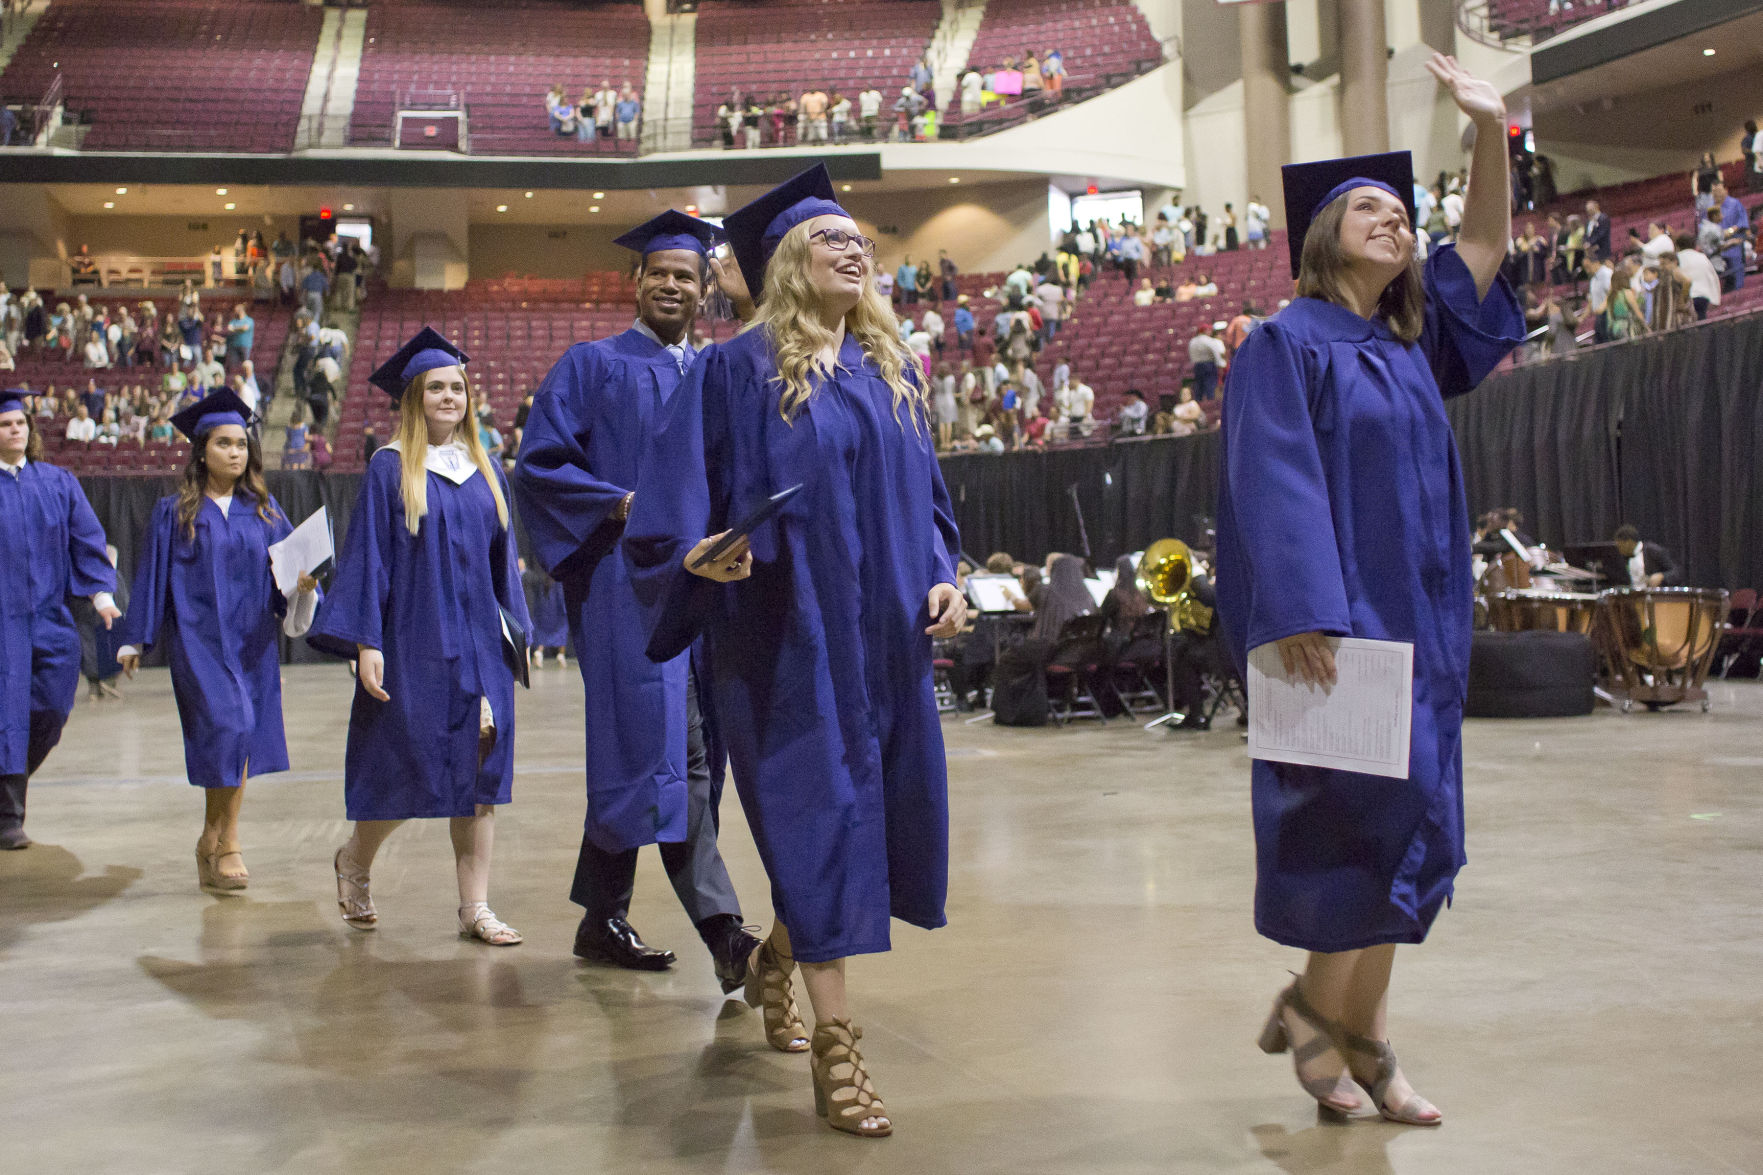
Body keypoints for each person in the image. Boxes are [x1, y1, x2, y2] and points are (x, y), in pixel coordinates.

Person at [1214, 55, 1524, 1127]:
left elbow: (1480, 248)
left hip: (1423, 624)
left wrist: (1488, 131)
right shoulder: (1283, 346)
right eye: (1368, 209)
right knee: (1355, 832)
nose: (1393, 223)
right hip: (1337, 631)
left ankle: (1333, 1021)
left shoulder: (1406, 341)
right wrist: (1305, 609)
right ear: (1319, 236)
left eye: (1402, 211)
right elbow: (1273, 482)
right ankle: (1341, 1031)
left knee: (1415, 834)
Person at [625, 165, 966, 1138]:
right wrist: (692, 556)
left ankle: (776, 952)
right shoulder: (733, 369)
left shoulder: (893, 373)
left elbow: (932, 511)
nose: (855, 249)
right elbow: (674, 497)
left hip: (884, 645)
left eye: (860, 239)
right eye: (831, 240)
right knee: (816, 823)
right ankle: (839, 1041)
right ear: (785, 262)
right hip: (782, 641)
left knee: (854, 830)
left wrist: (943, 573)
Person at [512, 211, 761, 988]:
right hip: (627, 588)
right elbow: (538, 466)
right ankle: (725, 935)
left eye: (686, 275)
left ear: (701, 291)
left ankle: (600, 916)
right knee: (668, 752)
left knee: (669, 752)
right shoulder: (591, 366)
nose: (671, 284)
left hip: (710, 585)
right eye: (658, 272)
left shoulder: (715, 371)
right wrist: (619, 505)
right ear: (635, 280)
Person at [307, 329, 531, 946]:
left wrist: (516, 635)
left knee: (481, 775)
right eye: (436, 387)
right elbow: (369, 559)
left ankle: (475, 908)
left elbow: (501, 563)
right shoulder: (390, 468)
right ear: (413, 398)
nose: (450, 396)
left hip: (481, 643)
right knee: (410, 768)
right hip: (415, 640)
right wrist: (366, 642)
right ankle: (355, 859)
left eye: (457, 387)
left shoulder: (485, 470)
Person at [115, 389, 320, 890]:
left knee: (241, 738)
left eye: (241, 444)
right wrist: (134, 640)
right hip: (199, 644)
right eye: (224, 443)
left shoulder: (266, 513)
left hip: (253, 642)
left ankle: (213, 835)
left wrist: (304, 586)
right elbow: (151, 576)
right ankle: (229, 843)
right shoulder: (175, 512)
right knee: (229, 727)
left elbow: (294, 571)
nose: (235, 452)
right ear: (202, 450)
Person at [0, 389, 120, 848]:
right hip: (2, 622)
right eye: (6, 424)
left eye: (20, 423)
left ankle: (6, 786)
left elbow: (87, 540)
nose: (15, 429)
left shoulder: (57, 482)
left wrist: (102, 594)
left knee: (51, 705)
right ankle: (9, 817)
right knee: (6, 712)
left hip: (49, 619)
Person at [1611, 524, 1680, 588]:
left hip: (1653, 597)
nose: (1619, 550)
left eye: (1620, 546)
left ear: (1629, 542)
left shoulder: (1653, 551)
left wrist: (1661, 576)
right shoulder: (1623, 558)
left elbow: (1676, 573)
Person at [1711, 180, 1750, 291]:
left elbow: (1742, 223)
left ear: (1725, 190)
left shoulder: (1735, 204)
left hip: (1734, 245)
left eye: (1719, 190)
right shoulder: (1710, 208)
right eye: (1714, 191)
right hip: (1718, 248)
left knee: (1737, 278)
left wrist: (1730, 231)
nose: (1716, 194)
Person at [1675, 232, 1721, 320]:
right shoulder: (1702, 257)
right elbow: (1713, 277)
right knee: (1701, 324)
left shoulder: (1677, 258)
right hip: (1703, 297)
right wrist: (1716, 299)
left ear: (1677, 246)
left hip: (1688, 297)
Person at [1188, 322, 1225, 401]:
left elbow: (1191, 354)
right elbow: (1216, 353)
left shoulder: (1192, 341)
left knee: (1199, 385)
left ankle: (1199, 401)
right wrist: (1220, 364)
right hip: (1209, 364)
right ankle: (1210, 402)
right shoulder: (1209, 340)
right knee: (1210, 385)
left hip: (1197, 365)